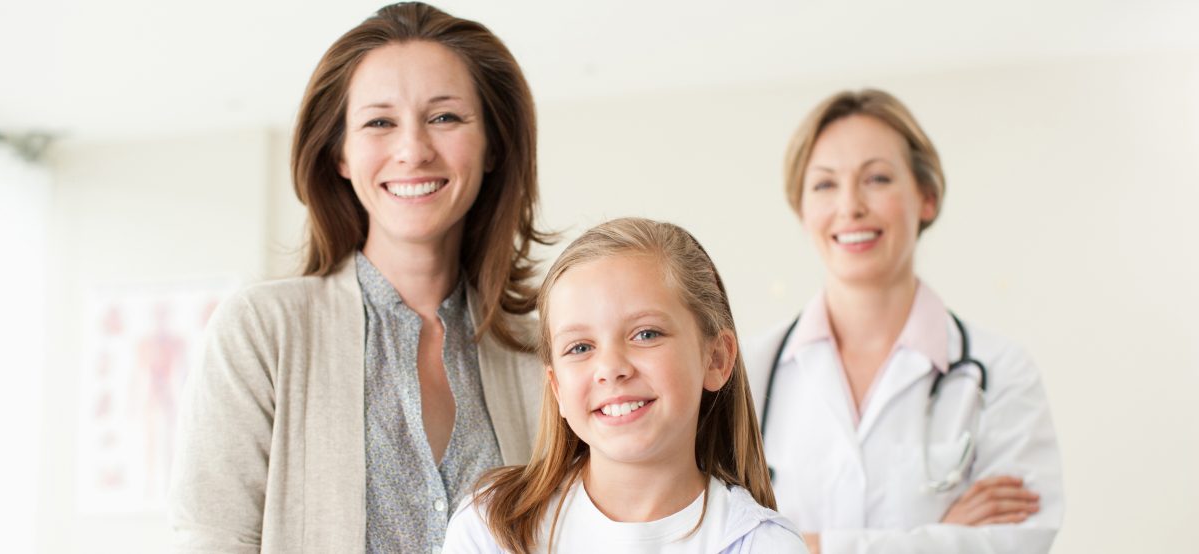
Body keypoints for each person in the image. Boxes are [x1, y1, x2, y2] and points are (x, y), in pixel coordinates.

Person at [168, 3, 549, 552]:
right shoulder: (261, 331)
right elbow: (213, 538)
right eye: (379, 122)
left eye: (445, 117)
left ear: (493, 145)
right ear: (339, 154)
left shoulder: (545, 352)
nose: (413, 150)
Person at [746, 89, 1064, 553]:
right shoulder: (748, 374)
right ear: (802, 210)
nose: (850, 206)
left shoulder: (1001, 372)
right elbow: (708, 538)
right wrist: (938, 539)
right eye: (824, 185)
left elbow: (1018, 543)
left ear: (927, 198)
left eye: (876, 178)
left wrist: (802, 545)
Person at [444, 218, 808, 553]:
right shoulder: (489, 528)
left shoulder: (763, 545)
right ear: (557, 389)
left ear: (715, 359)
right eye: (581, 347)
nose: (611, 368)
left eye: (646, 334)